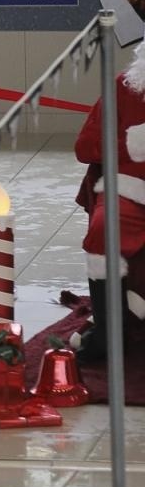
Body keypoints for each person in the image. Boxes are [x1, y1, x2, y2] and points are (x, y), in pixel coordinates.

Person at [73, 42, 145, 363]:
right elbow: (85, 147)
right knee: (104, 228)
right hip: (130, 190)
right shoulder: (124, 87)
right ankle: (107, 332)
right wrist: (131, 143)